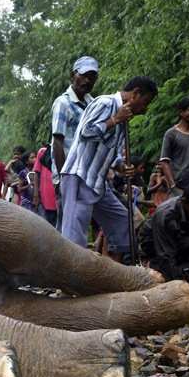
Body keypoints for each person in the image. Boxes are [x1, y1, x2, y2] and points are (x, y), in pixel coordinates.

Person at [59, 76, 158, 260]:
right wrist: (114, 119)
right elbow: (85, 132)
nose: (145, 109)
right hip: (79, 176)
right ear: (135, 94)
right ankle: (69, 282)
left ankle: (112, 272)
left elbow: (112, 151)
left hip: (98, 181)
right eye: (145, 102)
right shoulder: (106, 103)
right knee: (74, 234)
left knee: (123, 223)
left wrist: (120, 166)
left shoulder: (124, 116)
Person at [51, 56, 100, 229]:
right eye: (84, 75)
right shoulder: (63, 103)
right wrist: (64, 179)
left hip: (87, 174)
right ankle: (61, 256)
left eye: (92, 77)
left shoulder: (93, 104)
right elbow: (57, 143)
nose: (87, 80)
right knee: (69, 224)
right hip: (69, 174)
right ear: (73, 75)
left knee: (80, 223)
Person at [139, 181, 189, 281]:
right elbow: (165, 254)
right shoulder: (166, 214)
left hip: (179, 237)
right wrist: (175, 282)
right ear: (184, 201)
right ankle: (154, 264)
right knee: (166, 269)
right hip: (154, 241)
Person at [158, 96, 189, 194]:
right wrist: (173, 186)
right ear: (181, 112)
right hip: (179, 186)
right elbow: (164, 162)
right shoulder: (171, 134)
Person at [32, 145, 57, 224]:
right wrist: (36, 194)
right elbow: (36, 173)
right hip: (47, 196)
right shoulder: (43, 152)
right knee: (49, 222)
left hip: (62, 195)